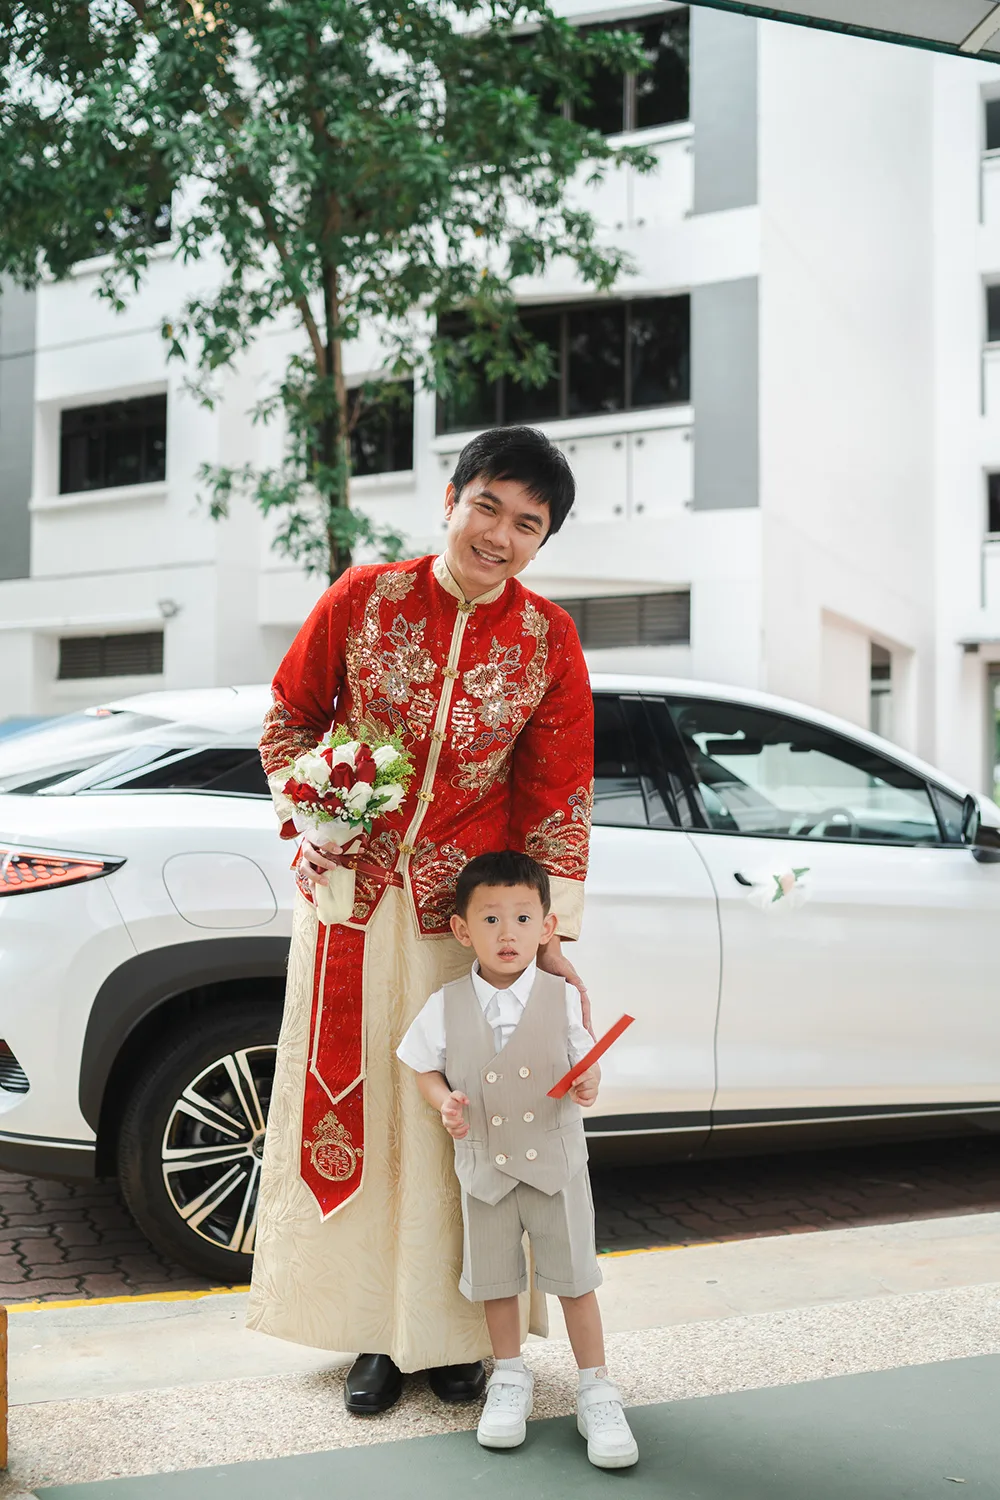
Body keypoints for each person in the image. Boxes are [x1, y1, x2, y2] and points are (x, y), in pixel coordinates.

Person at [247, 426, 595, 1416]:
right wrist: (312, 819)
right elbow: (289, 718)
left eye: (527, 524)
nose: (499, 534)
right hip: (350, 907)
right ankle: (373, 1335)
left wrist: (547, 936)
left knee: (461, 1123)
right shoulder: (365, 598)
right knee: (363, 1108)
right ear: (450, 497)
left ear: (540, 543)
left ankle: (452, 1337)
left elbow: (556, 795)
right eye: (487, 505)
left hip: (467, 920)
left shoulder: (545, 641)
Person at [397, 850, 638, 1469]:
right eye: (492, 919)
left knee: (575, 1279)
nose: (509, 934)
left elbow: (587, 1066)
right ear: (462, 930)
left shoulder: (561, 997)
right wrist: (444, 1099)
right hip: (485, 1167)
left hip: (555, 1165)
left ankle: (597, 1387)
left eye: (524, 919)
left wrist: (588, 1085)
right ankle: (508, 1377)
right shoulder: (445, 1002)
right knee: (496, 1281)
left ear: (547, 927)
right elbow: (423, 1066)